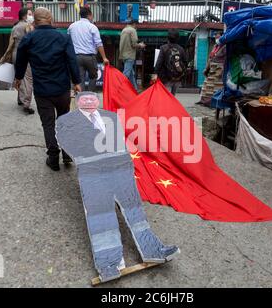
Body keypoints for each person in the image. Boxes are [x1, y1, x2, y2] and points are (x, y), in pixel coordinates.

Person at [56, 91, 180, 283]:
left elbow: (121, 142)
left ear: (97, 101)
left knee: (136, 212)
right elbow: (68, 144)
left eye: (92, 98)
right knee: (101, 216)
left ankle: (152, 249)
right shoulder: (66, 121)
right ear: (78, 102)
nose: (89, 101)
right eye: (85, 99)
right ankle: (109, 263)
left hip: (121, 171)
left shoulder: (111, 117)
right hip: (93, 175)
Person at [15, 7, 82, 171]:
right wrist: (77, 81)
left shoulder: (29, 38)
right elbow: (72, 61)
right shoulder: (63, 37)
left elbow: (21, 60)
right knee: (64, 122)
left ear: (35, 21)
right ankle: (66, 154)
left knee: (48, 123)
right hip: (62, 88)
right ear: (50, 18)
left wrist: (18, 77)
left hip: (42, 89)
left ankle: (53, 158)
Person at [0, 7, 35, 115]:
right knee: (27, 80)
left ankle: (20, 99)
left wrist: (5, 57)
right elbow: (32, 40)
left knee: (18, 77)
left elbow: (11, 45)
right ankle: (27, 104)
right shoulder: (28, 27)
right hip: (26, 55)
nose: (31, 16)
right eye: (29, 14)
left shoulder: (14, 28)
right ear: (25, 16)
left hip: (16, 54)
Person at [67, 7, 109, 92]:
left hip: (77, 57)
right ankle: (90, 95)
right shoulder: (92, 27)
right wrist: (104, 58)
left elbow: (68, 42)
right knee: (93, 77)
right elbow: (98, 43)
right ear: (89, 15)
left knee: (80, 79)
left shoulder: (71, 26)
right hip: (90, 57)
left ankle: (81, 98)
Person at [152, 29, 187, 96]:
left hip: (165, 78)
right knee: (172, 96)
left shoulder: (163, 48)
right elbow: (185, 62)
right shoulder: (181, 49)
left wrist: (154, 75)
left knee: (165, 96)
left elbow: (159, 63)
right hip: (177, 78)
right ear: (178, 38)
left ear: (167, 38)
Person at [119, 19, 146, 90]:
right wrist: (141, 45)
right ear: (134, 24)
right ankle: (119, 90)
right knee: (126, 74)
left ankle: (135, 89)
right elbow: (134, 44)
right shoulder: (132, 30)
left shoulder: (124, 30)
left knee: (131, 74)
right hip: (130, 55)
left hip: (123, 55)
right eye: (137, 25)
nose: (137, 27)